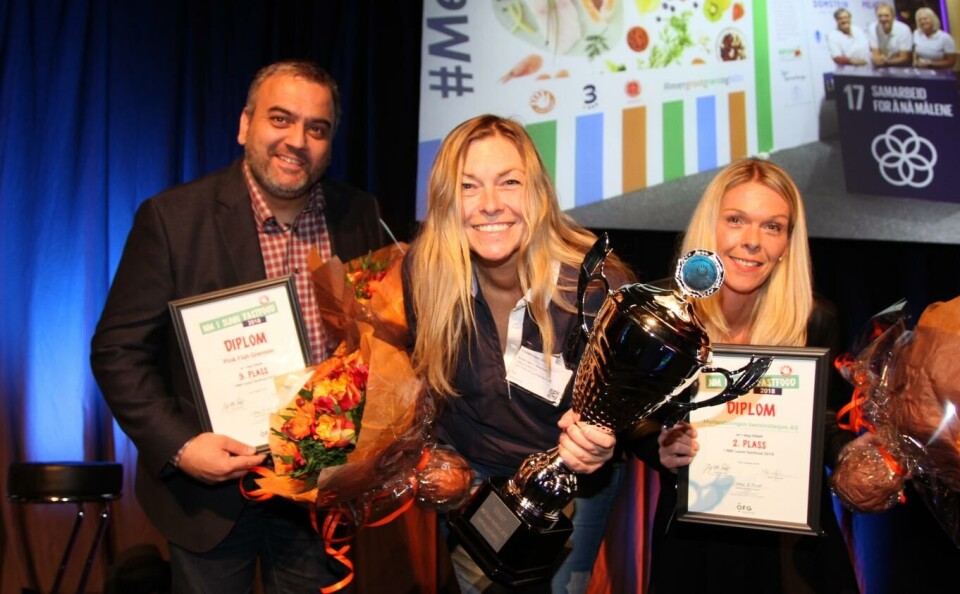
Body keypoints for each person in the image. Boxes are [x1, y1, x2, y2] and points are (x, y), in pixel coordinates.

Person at [90, 60, 385, 593]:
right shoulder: (172, 219)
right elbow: (117, 352)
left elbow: (379, 339)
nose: (298, 140)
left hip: (317, 490)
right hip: (211, 495)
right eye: (280, 119)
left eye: (317, 129)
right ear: (246, 125)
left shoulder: (359, 214)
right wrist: (181, 447)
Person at [403, 114, 635, 594]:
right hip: (476, 477)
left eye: (509, 182)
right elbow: (427, 378)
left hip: (572, 486)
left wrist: (604, 436)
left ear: (538, 192)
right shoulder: (425, 270)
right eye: (469, 186)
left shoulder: (597, 284)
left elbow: (634, 405)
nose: (490, 205)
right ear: (448, 199)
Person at [630, 159, 860, 593]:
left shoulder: (815, 319)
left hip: (791, 544)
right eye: (736, 221)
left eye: (772, 227)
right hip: (695, 537)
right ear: (709, 227)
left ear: (787, 243)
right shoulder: (663, 315)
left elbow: (824, 419)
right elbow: (632, 414)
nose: (752, 242)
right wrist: (658, 445)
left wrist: (854, 454)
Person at [868, 3, 913, 67]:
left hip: (900, 67)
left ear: (893, 16)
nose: (883, 19)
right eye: (880, 16)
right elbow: (876, 55)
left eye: (886, 16)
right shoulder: (873, 28)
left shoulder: (904, 29)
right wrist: (879, 59)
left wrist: (887, 61)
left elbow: (905, 58)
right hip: (880, 66)